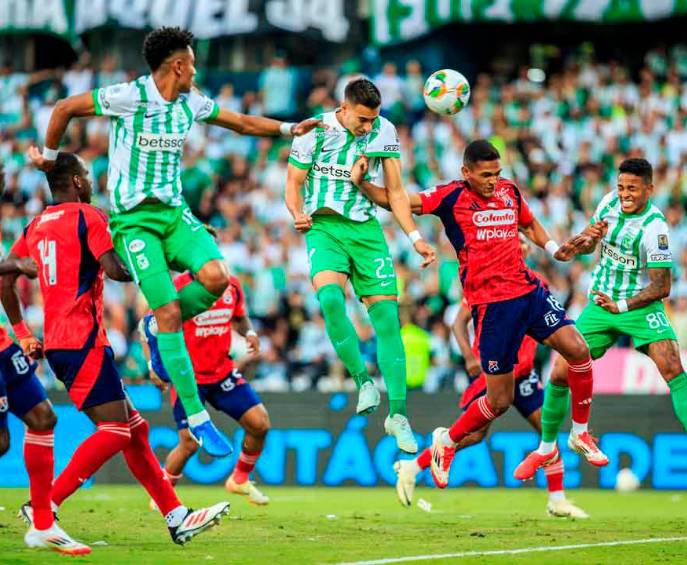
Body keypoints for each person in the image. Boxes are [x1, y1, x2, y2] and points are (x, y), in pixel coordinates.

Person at [28, 26, 321, 457]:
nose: (196, 72)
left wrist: (290, 128)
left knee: (217, 277)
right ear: (178, 66)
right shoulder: (130, 96)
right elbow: (65, 107)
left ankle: (156, 327)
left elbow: (241, 123)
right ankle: (197, 417)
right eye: (193, 64)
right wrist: (50, 160)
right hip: (134, 222)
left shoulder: (191, 102)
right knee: (168, 311)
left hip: (174, 214)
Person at [2, 153, 229, 545]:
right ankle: (45, 507)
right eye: (87, 176)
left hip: (60, 342)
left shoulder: (35, 225)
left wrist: (22, 331)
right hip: (83, 340)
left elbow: (6, 274)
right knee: (116, 431)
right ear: (76, 182)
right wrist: (166, 260)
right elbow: (115, 269)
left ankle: (176, 516)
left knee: (136, 430)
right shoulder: (90, 217)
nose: (91, 183)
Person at [352, 139, 602, 488]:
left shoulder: (509, 191)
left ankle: (580, 432)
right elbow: (399, 199)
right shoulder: (451, 196)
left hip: (528, 291)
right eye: (486, 175)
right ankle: (447, 442)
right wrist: (363, 184)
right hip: (492, 306)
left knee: (578, 349)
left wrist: (553, 248)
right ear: (466, 172)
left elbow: (529, 224)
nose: (493, 181)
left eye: (497, 173)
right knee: (499, 401)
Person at [539, 158, 687, 473]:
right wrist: (588, 239)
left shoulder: (655, 228)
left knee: (672, 365)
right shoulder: (608, 203)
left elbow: (663, 286)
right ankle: (546, 448)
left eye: (632, 189)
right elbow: (587, 247)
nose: (625, 194)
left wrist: (623, 306)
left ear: (649, 189)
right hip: (601, 302)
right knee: (559, 371)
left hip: (639, 305)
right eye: (621, 187)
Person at [285, 78, 436, 454]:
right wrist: (296, 212)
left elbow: (396, 192)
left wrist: (415, 237)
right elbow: (293, 182)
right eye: (362, 119)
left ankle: (398, 415)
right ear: (344, 108)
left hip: (366, 231)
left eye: (373, 119)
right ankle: (363, 381)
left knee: (387, 321)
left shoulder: (384, 131)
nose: (368, 127)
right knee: (330, 300)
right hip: (324, 227)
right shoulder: (315, 131)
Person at [394, 294, 588, 518]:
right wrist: (469, 357)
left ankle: (557, 500)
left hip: (523, 373)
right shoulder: (486, 284)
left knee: (548, 430)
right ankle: (414, 466)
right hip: (494, 370)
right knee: (475, 435)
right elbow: (458, 322)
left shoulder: (534, 284)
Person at [141, 268, 271, 506]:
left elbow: (239, 317)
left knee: (260, 423)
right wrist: (153, 365)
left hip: (222, 374)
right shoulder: (177, 288)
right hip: (188, 378)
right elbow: (147, 327)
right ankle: (162, 495)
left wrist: (250, 332)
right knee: (189, 443)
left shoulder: (231, 284)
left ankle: (239, 478)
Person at [0, 256, 91, 554]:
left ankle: (42, 525)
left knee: (43, 417)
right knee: (1, 443)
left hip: (3, 347)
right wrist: (16, 265)